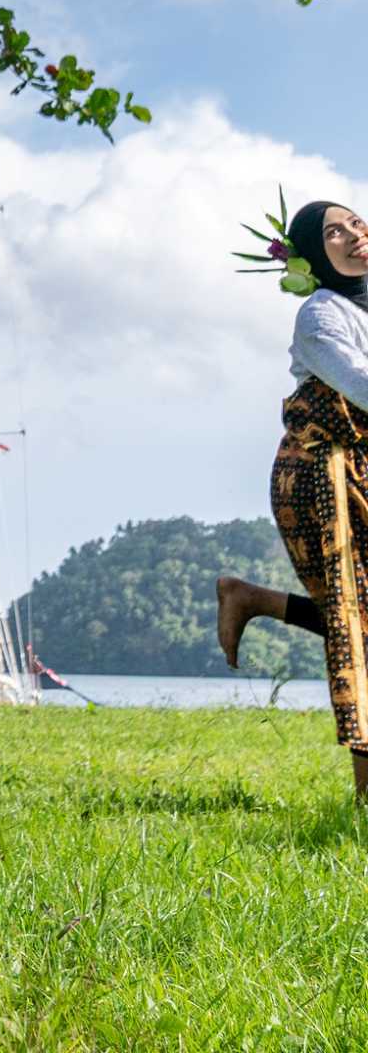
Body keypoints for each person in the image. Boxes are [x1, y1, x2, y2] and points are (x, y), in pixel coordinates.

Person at [218, 201, 368, 797]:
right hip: (319, 473)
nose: (354, 233)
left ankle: (251, 598)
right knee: (355, 619)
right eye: (334, 231)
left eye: (357, 221)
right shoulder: (319, 314)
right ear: (312, 255)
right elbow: (361, 387)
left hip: (362, 466)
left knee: (360, 616)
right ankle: (365, 801)